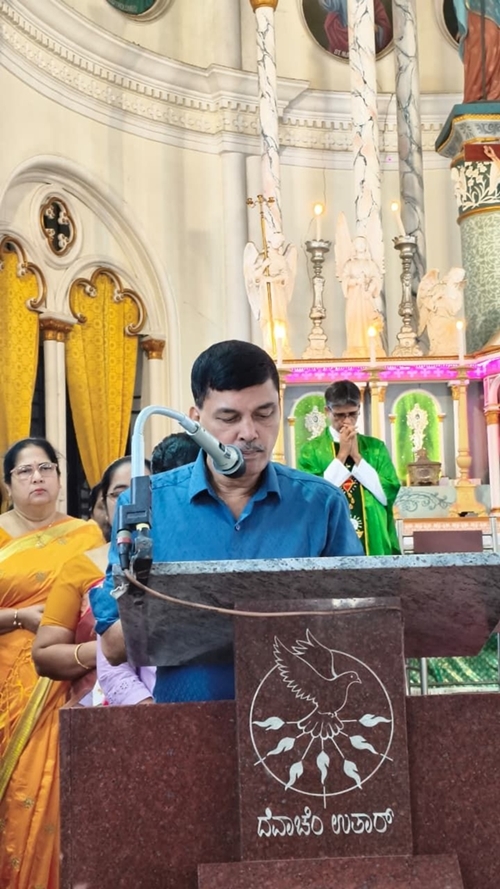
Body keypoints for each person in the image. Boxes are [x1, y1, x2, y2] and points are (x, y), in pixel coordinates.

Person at [91, 340, 364, 704]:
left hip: (300, 718)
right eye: (229, 418)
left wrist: (186, 611)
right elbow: (113, 645)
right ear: (195, 420)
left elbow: (360, 621)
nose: (249, 433)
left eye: (265, 413)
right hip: (187, 718)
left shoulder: (320, 505)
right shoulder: (148, 506)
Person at [0, 437, 104, 889]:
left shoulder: (87, 535)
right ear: (8, 485)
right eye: (24, 471)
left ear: (60, 479)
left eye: (46, 468)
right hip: (9, 682)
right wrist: (21, 616)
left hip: (72, 679)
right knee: (16, 791)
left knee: (61, 790)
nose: (37, 477)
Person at [34, 456, 154, 708]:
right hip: (96, 711)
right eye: (118, 494)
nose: (131, 500)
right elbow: (44, 655)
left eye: (144, 490)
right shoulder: (80, 567)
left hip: (175, 703)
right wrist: (106, 649)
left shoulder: (182, 559)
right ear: (105, 507)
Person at [298, 380, 401, 556]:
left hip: (373, 535)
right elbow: (312, 496)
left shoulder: (375, 448)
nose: (346, 421)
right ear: (327, 411)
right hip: (332, 532)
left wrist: (357, 457)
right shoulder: (311, 451)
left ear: (359, 409)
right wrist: (342, 455)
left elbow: (387, 494)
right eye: (339, 415)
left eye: (352, 414)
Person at [453, 0, 500, 103]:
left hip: (496, 9)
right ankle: (475, 93)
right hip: (476, 9)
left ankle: (495, 92)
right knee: (481, 46)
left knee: (495, 45)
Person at [318, 0, 392, 59]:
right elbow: (329, 4)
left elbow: (385, 30)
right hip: (338, 56)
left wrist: (375, 28)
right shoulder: (336, 9)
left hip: (367, 54)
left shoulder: (373, 2)